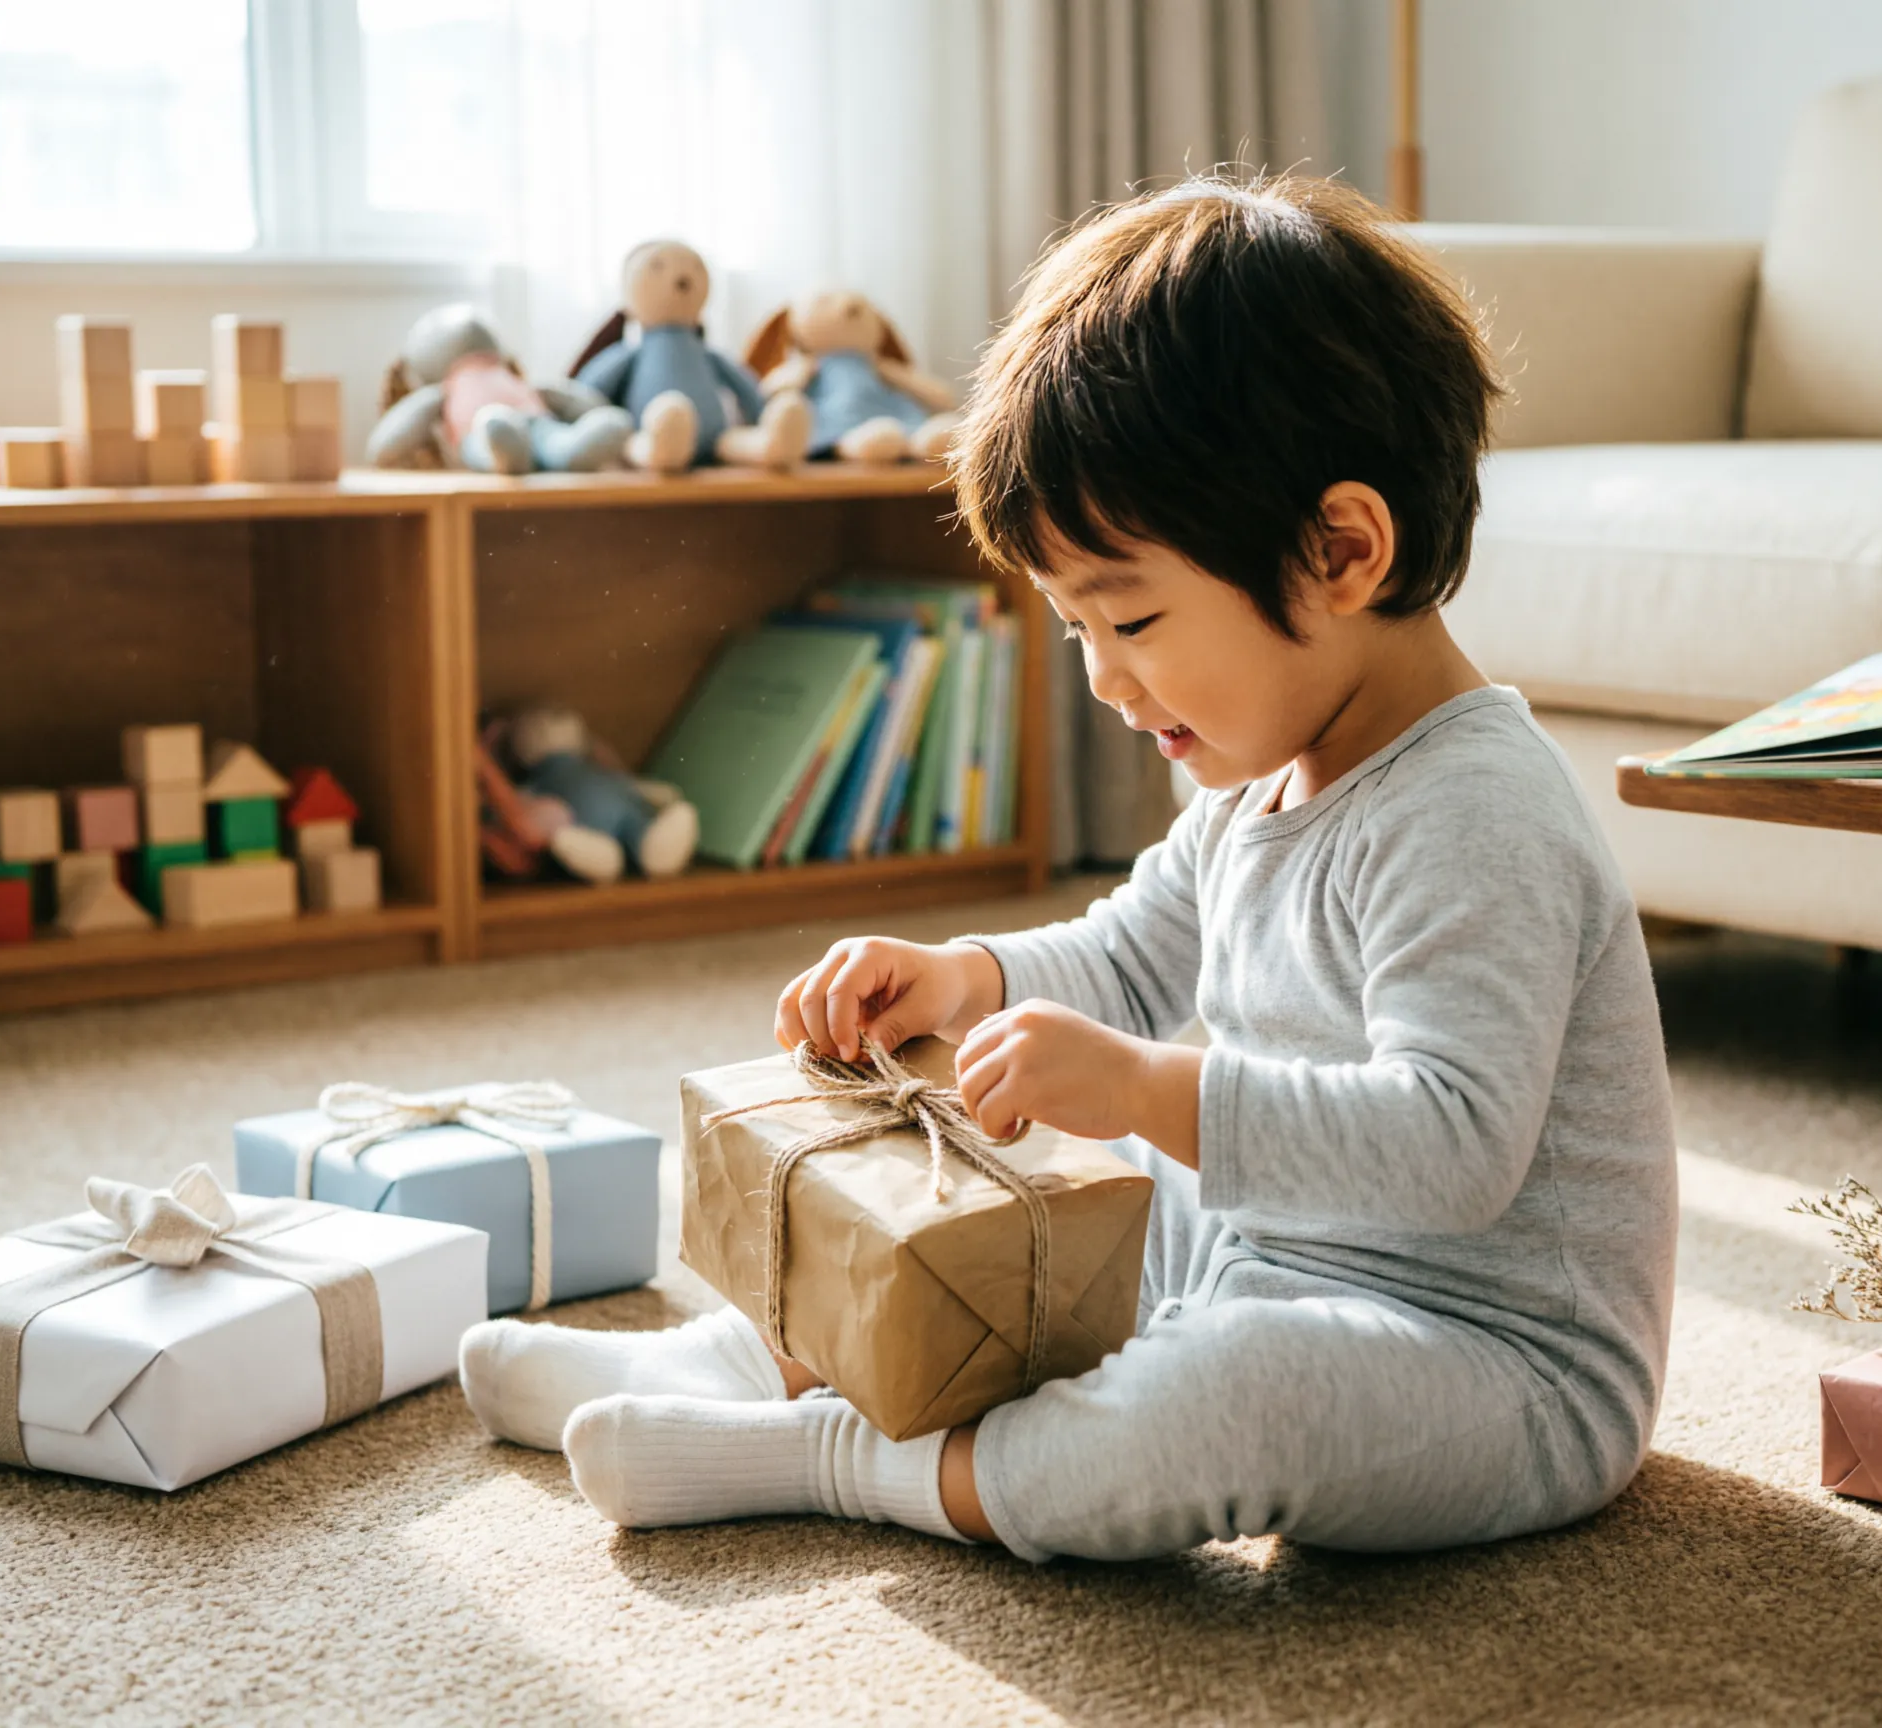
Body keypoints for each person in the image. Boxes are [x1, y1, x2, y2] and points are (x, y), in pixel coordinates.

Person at [459, 174, 1679, 1563]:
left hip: (1490, 1361)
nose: (1104, 680)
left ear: (1343, 551)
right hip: (1264, 1258)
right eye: (1073, 631)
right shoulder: (1261, 771)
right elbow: (1127, 955)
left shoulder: (1474, 813)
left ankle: (832, 1457)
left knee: (1232, 1396)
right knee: (1024, 1217)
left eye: (1134, 619)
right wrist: (961, 979)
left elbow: (1455, 1150)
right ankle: (735, 1366)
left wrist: (1148, 1093)